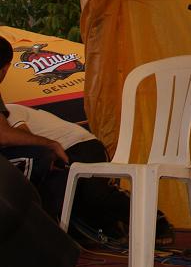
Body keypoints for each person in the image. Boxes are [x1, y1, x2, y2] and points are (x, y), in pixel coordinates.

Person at [0, 35, 173, 247]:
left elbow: (20, 140)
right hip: (61, 149)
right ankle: (110, 230)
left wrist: (50, 145)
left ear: (5, 70)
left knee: (92, 193)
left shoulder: (11, 111)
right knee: (71, 196)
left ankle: (157, 221)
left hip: (80, 144)